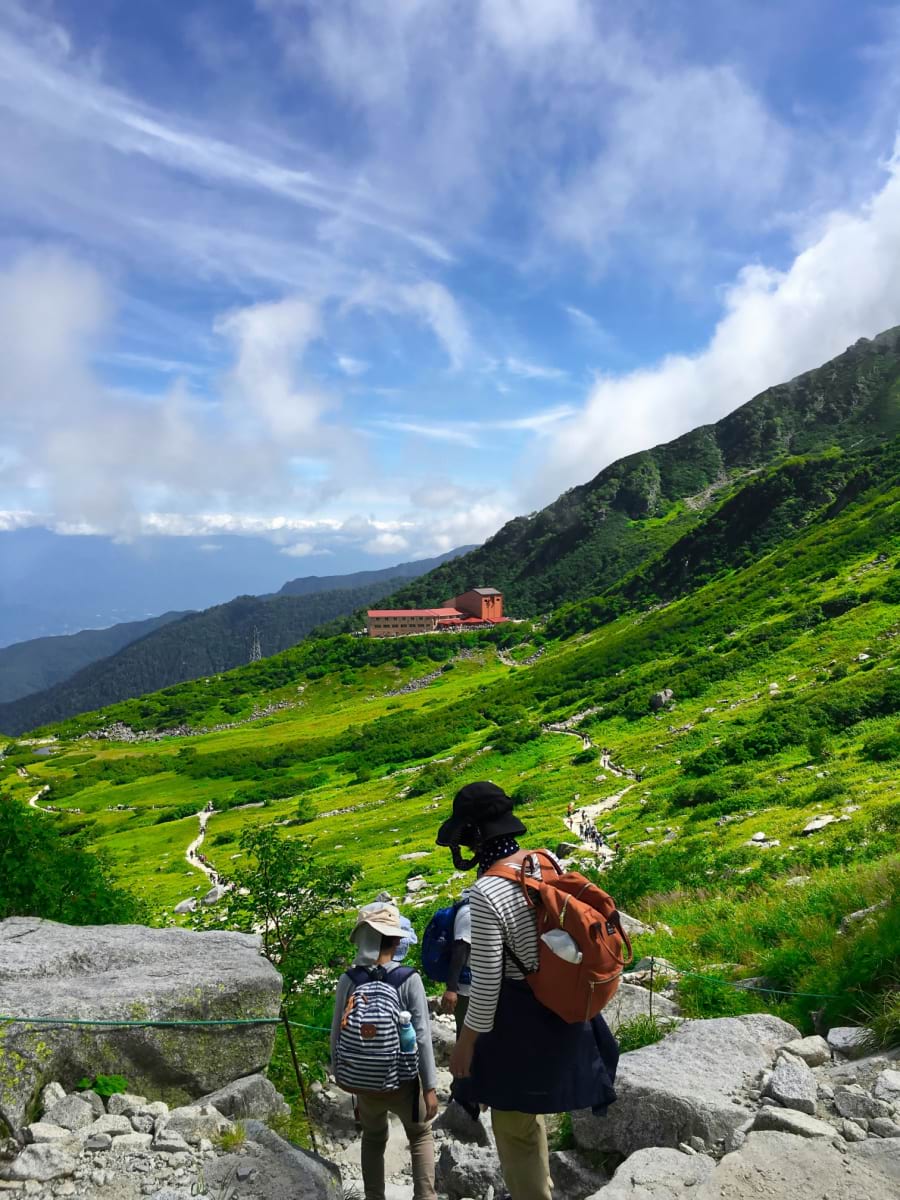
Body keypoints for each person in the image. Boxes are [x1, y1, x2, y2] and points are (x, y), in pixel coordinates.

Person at [436, 782, 618, 1200]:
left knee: (513, 1124)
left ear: (474, 835)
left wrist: (465, 1044)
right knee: (528, 1112)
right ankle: (543, 1187)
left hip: (518, 1018)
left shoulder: (485, 893)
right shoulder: (544, 861)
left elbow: (484, 986)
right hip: (562, 1000)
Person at [331, 902, 438, 1200]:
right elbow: (423, 1037)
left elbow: (338, 1034)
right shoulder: (408, 979)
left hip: (364, 1086)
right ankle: (426, 1197)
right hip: (404, 1082)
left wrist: (345, 1080)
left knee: (374, 1139)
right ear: (395, 940)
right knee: (419, 1136)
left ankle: (374, 1197)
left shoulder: (349, 980)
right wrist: (430, 1087)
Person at [440, 888, 472, 1037]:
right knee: (467, 1034)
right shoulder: (469, 912)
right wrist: (451, 988)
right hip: (467, 988)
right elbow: (460, 949)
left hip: (472, 985)